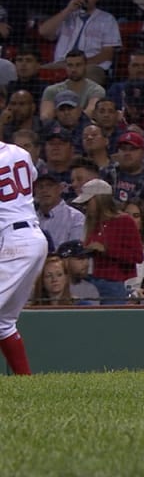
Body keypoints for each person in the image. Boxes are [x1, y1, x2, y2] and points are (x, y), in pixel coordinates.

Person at [0, 139, 49, 374]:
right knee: (4, 323)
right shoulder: (20, 152)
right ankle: (26, 384)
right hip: (34, 238)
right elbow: (31, 178)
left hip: (13, 243)